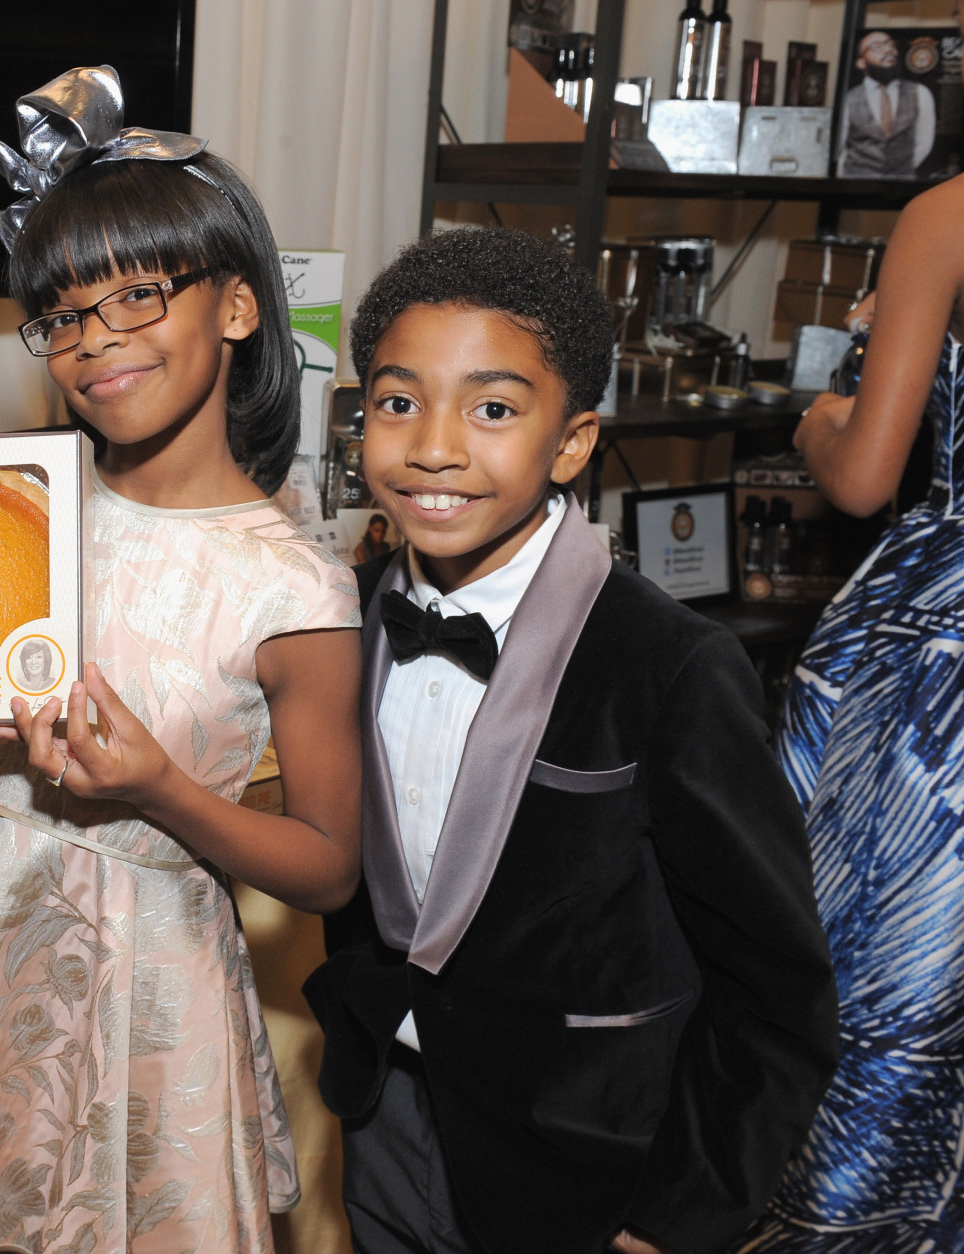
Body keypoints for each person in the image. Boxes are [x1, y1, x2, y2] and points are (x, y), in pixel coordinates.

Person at [0, 66, 362, 1254]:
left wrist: (161, 793)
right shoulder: (11, 510)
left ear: (239, 308)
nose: (98, 342)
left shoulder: (292, 585)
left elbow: (330, 872)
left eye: (138, 295)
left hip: (153, 1000)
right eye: (66, 314)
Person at [301, 226, 838, 1254]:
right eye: (397, 403)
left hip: (585, 1163)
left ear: (574, 441)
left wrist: (678, 1217)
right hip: (386, 1111)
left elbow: (776, 986)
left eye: (493, 409)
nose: (434, 447)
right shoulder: (344, 616)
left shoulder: (669, 665)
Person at [748, 3, 964, 1246]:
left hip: (956, 656)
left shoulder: (955, 214)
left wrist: (813, 424)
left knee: (891, 983)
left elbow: (863, 476)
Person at [837, 29, 937, 179]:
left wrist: (900, 170)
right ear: (861, 62)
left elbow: (924, 142)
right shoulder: (849, 98)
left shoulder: (920, 93)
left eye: (890, 45)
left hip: (901, 187)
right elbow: (840, 146)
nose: (888, 50)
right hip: (856, 186)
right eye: (877, 47)